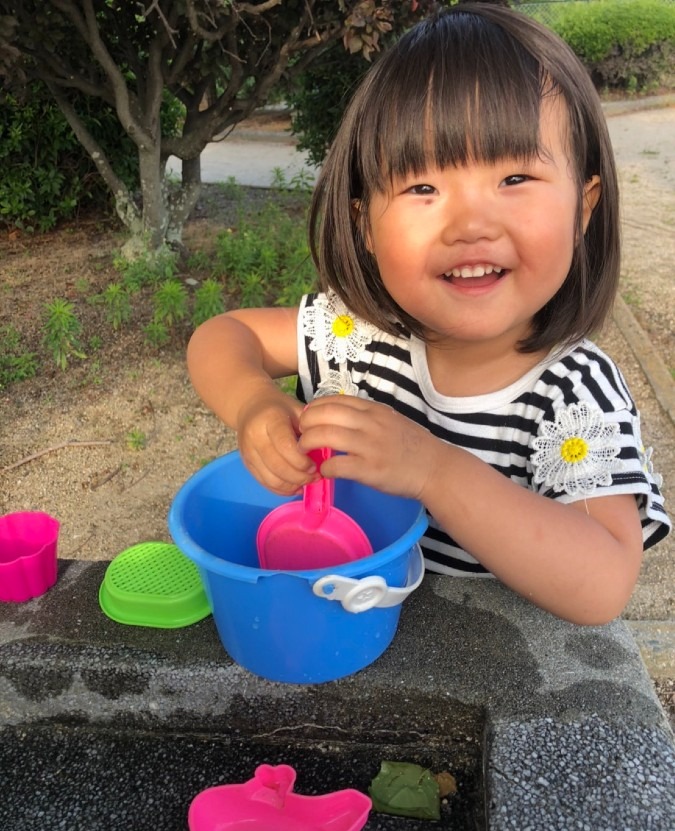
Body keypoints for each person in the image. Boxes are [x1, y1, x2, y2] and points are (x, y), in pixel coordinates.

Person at [187, 2, 670, 625]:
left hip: (493, 671)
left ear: (583, 207)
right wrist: (254, 402)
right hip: (341, 634)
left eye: (515, 177)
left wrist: (435, 471)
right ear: (363, 224)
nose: (470, 223)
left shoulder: (574, 396)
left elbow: (602, 585)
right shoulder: (355, 335)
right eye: (423, 188)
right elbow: (224, 336)